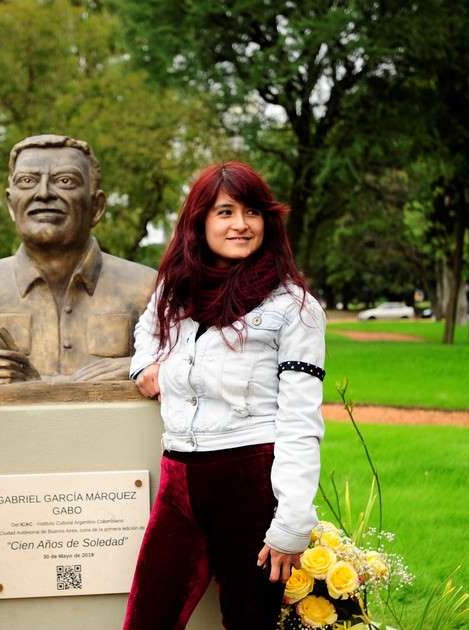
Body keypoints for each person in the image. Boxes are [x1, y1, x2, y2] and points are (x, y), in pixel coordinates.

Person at [122, 162, 326, 629]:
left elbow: (300, 419)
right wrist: (144, 365)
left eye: (252, 212)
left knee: (249, 621)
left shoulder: (293, 308)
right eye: (225, 211)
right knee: (148, 617)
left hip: (248, 482)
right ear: (200, 221)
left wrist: (292, 521)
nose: (240, 224)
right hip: (178, 478)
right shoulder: (176, 290)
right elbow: (147, 330)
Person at [0, 134, 157, 384]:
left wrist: (140, 367)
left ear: (96, 206)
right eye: (27, 181)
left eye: (65, 181)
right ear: (11, 205)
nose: (43, 194)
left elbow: (187, 363)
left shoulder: (146, 287)